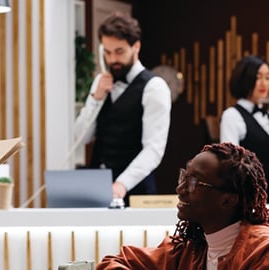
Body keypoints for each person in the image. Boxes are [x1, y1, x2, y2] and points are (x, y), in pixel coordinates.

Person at [96, 142, 269, 269]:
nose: (180, 189)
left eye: (194, 182)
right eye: (184, 177)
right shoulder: (188, 248)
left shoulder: (261, 251)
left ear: (227, 200)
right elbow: (114, 262)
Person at [74, 11, 171, 206]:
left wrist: (122, 184)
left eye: (119, 52)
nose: (112, 60)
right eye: (107, 53)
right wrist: (95, 98)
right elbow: (79, 138)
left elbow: (154, 149)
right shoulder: (100, 83)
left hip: (135, 191)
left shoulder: (154, 87)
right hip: (96, 190)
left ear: (136, 46)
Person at [220, 55, 269, 200]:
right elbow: (230, 164)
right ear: (245, 79)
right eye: (258, 77)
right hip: (253, 197)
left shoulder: (265, 114)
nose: (263, 83)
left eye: (267, 78)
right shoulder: (232, 116)